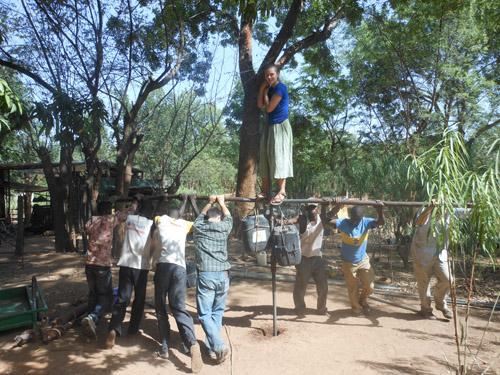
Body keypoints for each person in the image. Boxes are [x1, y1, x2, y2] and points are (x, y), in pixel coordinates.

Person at [149, 195, 202, 373]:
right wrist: (189, 200)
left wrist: (161, 199)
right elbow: (196, 220)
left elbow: (156, 213)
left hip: (163, 267)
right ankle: (192, 344)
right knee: (179, 308)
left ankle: (164, 347)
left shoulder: (161, 221)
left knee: (160, 307)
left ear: (167, 214)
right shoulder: (184, 225)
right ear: (179, 215)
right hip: (179, 269)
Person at [105, 198, 153, 348]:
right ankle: (133, 329)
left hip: (126, 264)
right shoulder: (151, 224)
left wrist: (132, 206)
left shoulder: (130, 219)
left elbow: (120, 214)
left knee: (122, 297)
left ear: (138, 208)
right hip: (141, 267)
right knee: (139, 298)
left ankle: (113, 328)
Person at [324, 201, 385, 315]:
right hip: (348, 262)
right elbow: (325, 221)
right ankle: (356, 307)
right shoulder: (343, 223)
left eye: (357, 219)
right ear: (350, 216)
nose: (354, 221)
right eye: (353, 218)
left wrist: (380, 210)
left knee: (370, 286)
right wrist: (337, 207)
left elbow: (381, 222)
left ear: (362, 217)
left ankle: (362, 300)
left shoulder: (366, 222)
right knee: (353, 287)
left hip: (363, 260)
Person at [192, 195, 232, 364]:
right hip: (223, 275)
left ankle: (218, 345)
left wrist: (209, 202)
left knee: (204, 314)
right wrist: (222, 203)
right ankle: (213, 349)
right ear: (219, 218)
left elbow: (199, 218)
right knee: (217, 312)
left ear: (208, 217)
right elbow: (229, 217)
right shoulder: (224, 228)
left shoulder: (200, 228)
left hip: (207, 275)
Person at [410, 203, 466, 320]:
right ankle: (425, 309)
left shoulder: (450, 208)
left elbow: (468, 211)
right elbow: (418, 222)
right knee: (424, 283)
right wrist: (431, 208)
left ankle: (440, 303)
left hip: (440, 254)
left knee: (448, 279)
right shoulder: (424, 207)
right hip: (422, 252)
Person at [81, 201, 127, 340]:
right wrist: (135, 203)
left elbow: (85, 229)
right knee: (105, 297)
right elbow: (125, 215)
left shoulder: (91, 220)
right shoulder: (110, 219)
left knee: (93, 294)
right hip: (102, 265)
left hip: (89, 264)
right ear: (108, 211)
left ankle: (88, 324)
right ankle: (92, 317)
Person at [257, 64, 293, 205]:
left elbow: (269, 108)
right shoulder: (269, 88)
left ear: (277, 74)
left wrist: (265, 94)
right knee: (265, 157)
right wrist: (261, 89)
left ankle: (281, 191)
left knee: (279, 157)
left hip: (280, 126)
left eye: (271, 74)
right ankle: (265, 191)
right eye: (267, 75)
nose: (269, 77)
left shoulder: (280, 88)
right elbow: (260, 105)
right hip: (269, 126)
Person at [287, 200, 329, 316]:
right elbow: (290, 221)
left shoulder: (322, 219)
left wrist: (337, 205)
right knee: (300, 286)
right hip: (303, 259)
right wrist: (281, 221)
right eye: (310, 208)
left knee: (323, 286)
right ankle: (299, 308)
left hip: (317, 259)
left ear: (318, 209)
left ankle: (321, 309)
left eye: (314, 207)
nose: (312, 210)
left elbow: (329, 215)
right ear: (307, 210)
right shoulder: (302, 219)